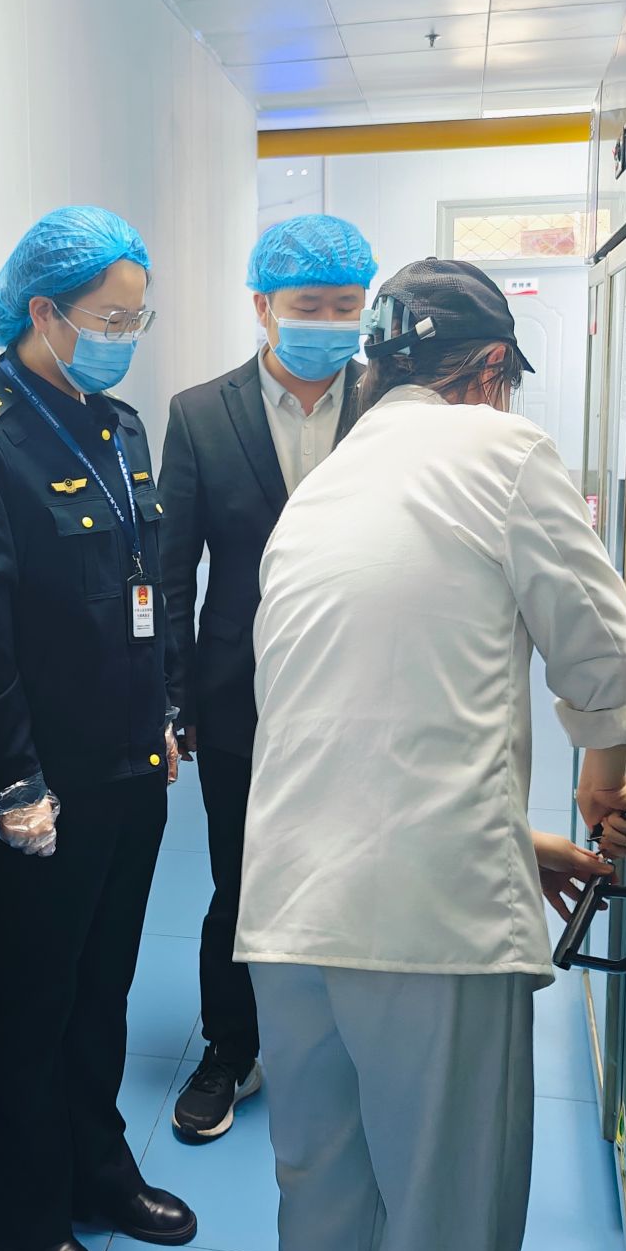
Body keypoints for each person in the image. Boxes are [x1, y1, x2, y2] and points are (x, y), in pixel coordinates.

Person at [237, 258, 626, 1251]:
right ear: (488, 370)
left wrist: (512, 838)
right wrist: (605, 782)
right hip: (426, 927)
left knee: (322, 1200)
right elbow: (600, 653)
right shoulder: (501, 451)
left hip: (289, 914)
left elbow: (346, 711)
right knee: (442, 1222)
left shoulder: (322, 488)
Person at [0, 206, 196, 1251]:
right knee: (29, 1000)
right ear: (45, 312)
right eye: (109, 319)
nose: (124, 336)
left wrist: (165, 710)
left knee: (103, 985)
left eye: (136, 319)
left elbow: (148, 587)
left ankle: (98, 1166)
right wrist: (10, 782)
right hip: (41, 788)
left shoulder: (120, 428)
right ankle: (27, 1214)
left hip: (129, 767)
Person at [157, 212, 376, 1144]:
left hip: (370, 687)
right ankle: (231, 1047)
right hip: (239, 690)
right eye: (308, 305)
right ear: (263, 306)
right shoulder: (201, 414)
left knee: (364, 868)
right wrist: (176, 695)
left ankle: (361, 1048)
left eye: (346, 304)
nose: (329, 321)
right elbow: (172, 570)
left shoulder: (393, 403)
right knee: (239, 877)